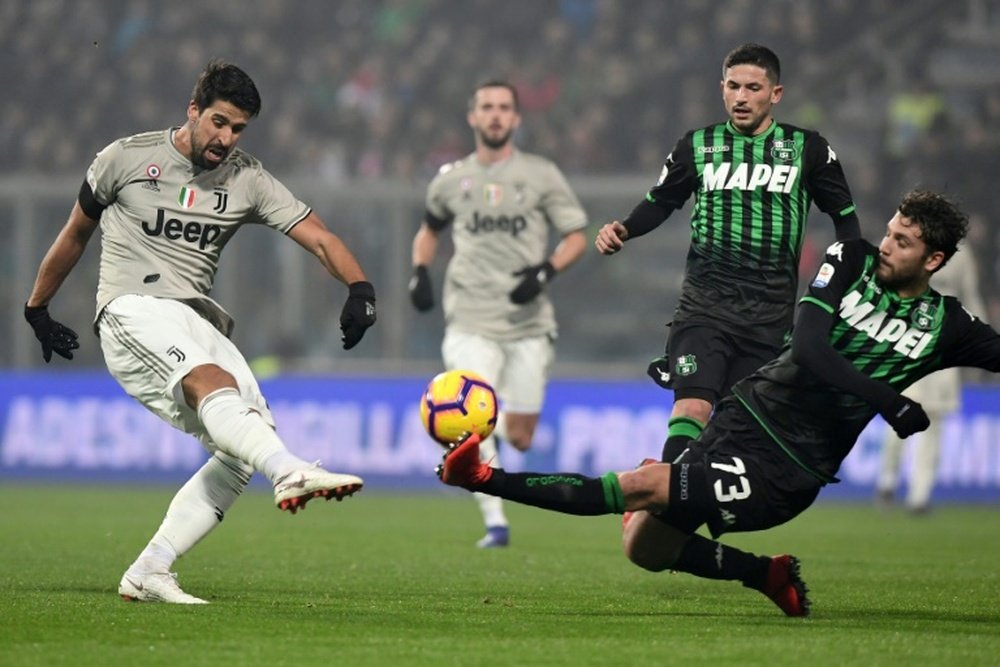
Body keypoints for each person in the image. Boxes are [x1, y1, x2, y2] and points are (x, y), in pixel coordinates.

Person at [438, 191, 1000, 616]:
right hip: (743, 417)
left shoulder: (947, 326)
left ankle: (482, 476)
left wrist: (890, 402)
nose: (886, 243)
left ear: (934, 261)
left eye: (903, 242)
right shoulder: (851, 259)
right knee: (643, 547)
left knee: (642, 488)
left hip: (790, 466)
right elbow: (806, 348)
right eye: (891, 231)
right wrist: (888, 401)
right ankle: (764, 574)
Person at [23, 61, 377, 604]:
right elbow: (76, 232)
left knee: (243, 443)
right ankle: (289, 471)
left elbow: (320, 237)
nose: (226, 138)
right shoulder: (126, 158)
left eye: (238, 129)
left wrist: (359, 288)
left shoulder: (247, 178)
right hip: (130, 307)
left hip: (196, 319)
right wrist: (38, 307)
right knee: (212, 383)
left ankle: (150, 570)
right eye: (218, 122)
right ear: (193, 109)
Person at [595, 43, 861, 464]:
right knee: (692, 408)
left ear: (775, 94)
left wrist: (839, 288)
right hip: (704, 307)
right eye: (733, 86)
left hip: (769, 318)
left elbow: (846, 223)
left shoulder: (808, 149)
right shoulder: (697, 146)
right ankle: (660, 509)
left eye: (753, 87)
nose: (741, 96)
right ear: (721, 89)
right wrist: (623, 229)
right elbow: (661, 202)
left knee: (736, 433)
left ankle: (669, 502)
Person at [409, 80, 587, 548]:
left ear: (516, 118)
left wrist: (545, 272)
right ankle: (495, 521)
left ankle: (488, 429)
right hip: (470, 315)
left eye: (504, 108)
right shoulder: (450, 179)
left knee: (522, 437)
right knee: (471, 414)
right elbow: (428, 230)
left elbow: (575, 237)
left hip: (529, 321)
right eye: (486, 107)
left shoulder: (542, 174)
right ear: (472, 116)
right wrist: (420, 271)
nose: (495, 115)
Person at [875, 247, 987, 514]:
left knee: (934, 423)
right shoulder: (910, 244)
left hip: (945, 348)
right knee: (899, 415)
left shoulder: (962, 254)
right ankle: (888, 480)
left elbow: (970, 297)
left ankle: (919, 496)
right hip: (908, 343)